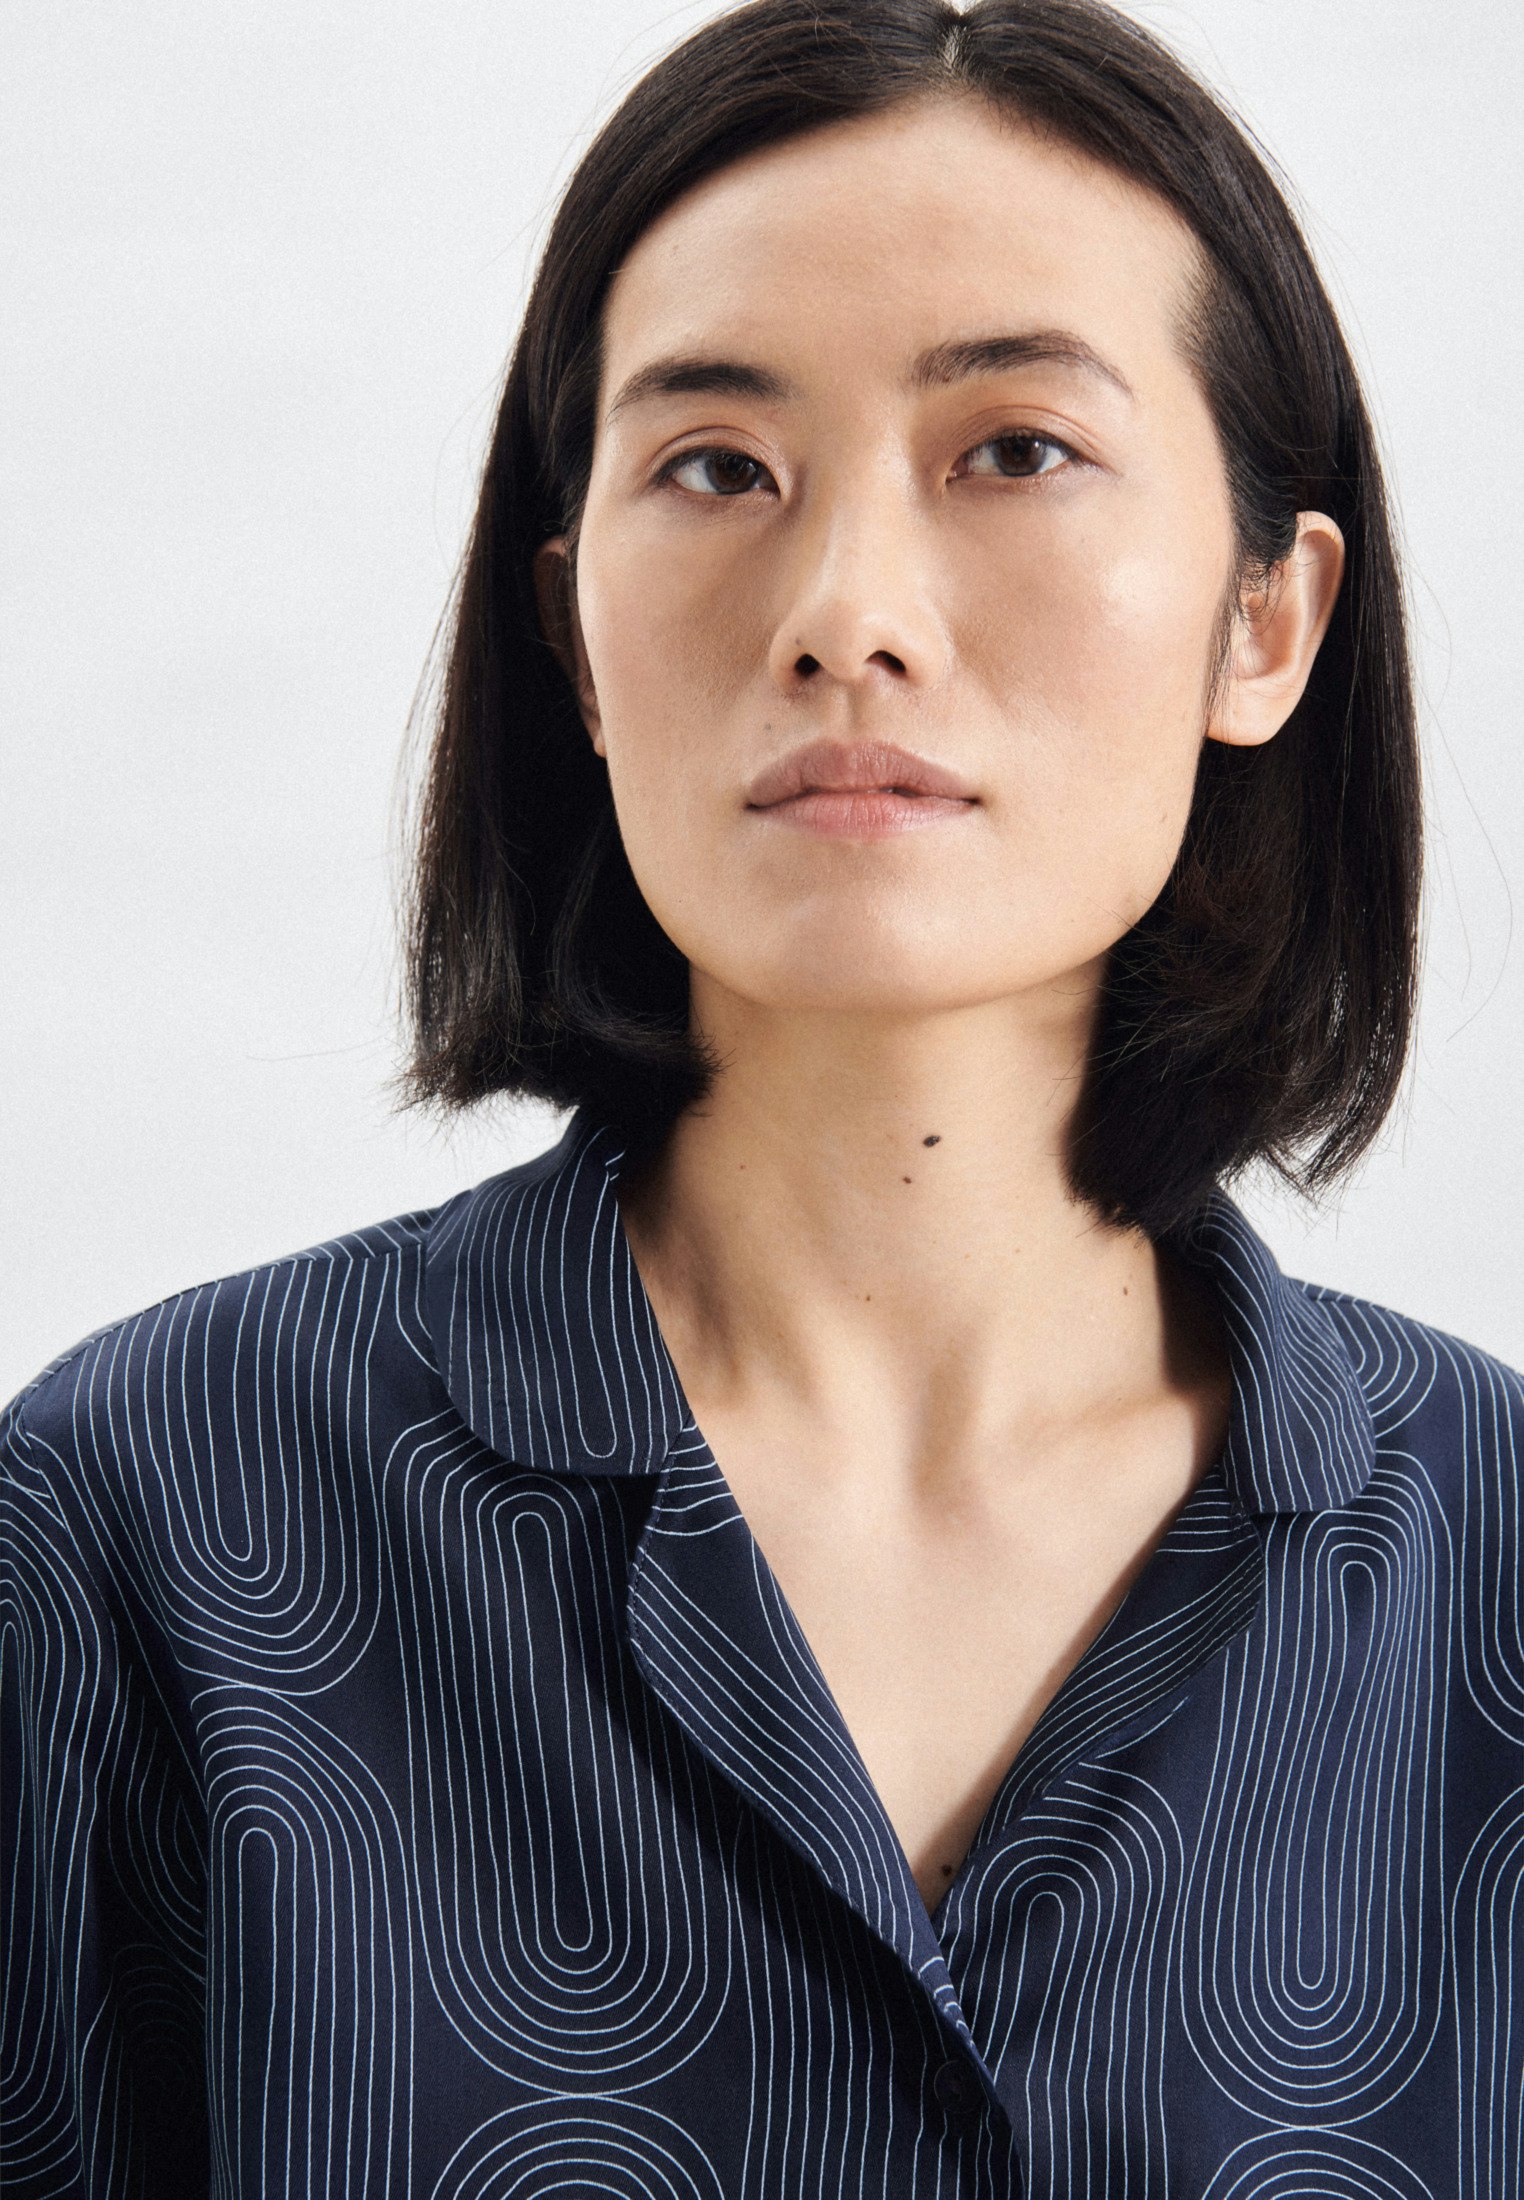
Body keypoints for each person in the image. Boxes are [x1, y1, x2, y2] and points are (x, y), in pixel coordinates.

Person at [2, 0, 1517, 2192]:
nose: (847, 615)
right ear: (572, 634)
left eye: (1016, 448)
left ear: (1266, 620)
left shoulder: (1493, 1570)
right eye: (717, 467)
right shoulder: (139, 1527)